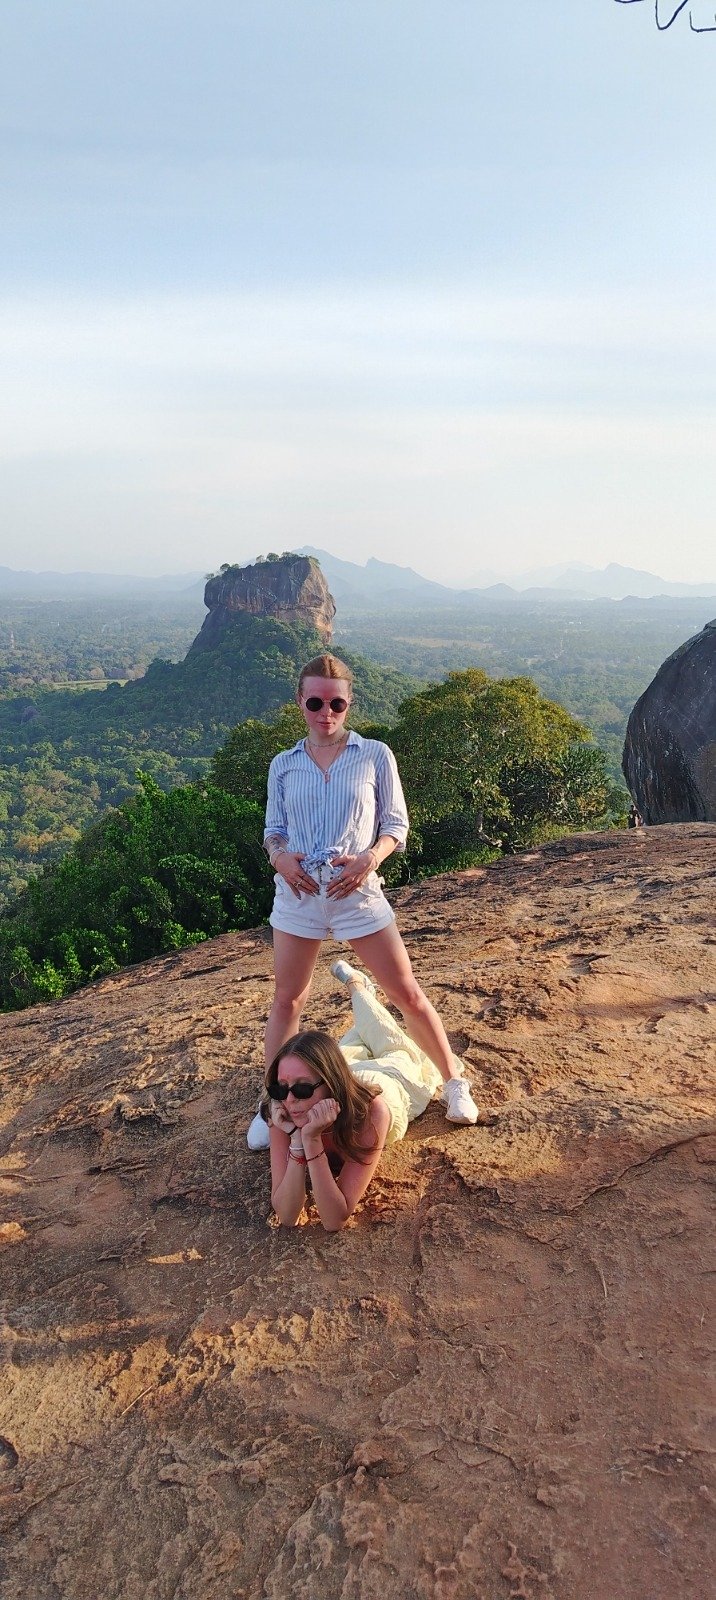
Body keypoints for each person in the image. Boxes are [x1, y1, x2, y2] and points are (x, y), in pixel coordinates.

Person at [259, 652, 479, 1129]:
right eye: (316, 702)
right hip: (299, 894)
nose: (326, 713)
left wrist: (369, 859)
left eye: (336, 703)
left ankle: (453, 1081)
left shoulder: (375, 754)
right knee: (288, 1000)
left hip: (356, 892)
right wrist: (280, 858)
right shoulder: (284, 764)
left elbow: (395, 825)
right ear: (300, 701)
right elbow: (274, 830)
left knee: (405, 993)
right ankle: (275, 1101)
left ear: (349, 703)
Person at [264, 965, 446, 1230]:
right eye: (280, 1088)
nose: (290, 1100)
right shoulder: (283, 1111)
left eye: (302, 1089)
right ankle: (359, 1004)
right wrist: (297, 1140)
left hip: (389, 1081)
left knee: (390, 1040)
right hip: (347, 1071)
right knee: (351, 1043)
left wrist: (312, 1140)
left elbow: (334, 1220)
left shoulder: (371, 1113)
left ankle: (357, 986)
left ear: (330, 1084)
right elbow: (288, 1216)